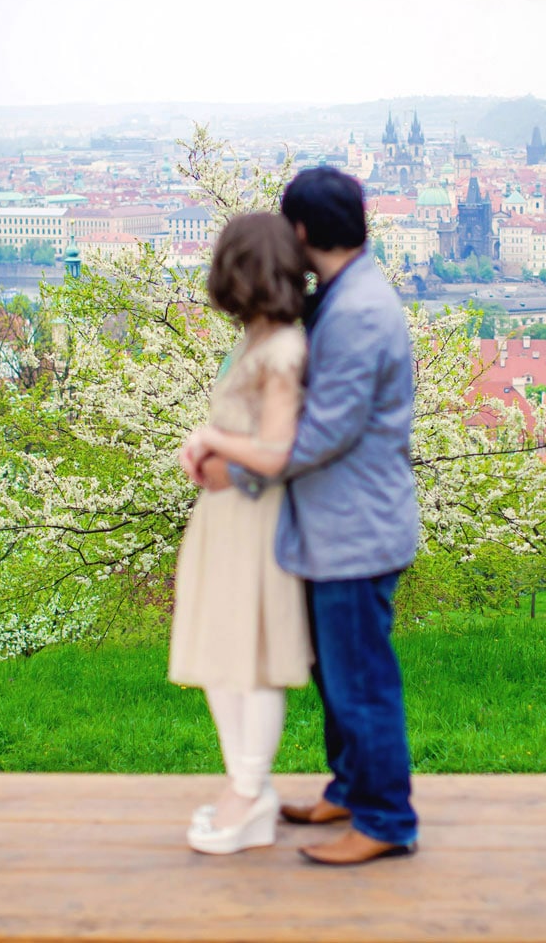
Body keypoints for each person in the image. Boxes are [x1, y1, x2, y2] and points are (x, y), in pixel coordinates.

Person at [187, 166, 420, 866]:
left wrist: (232, 465)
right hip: (335, 526)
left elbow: (317, 438)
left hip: (355, 531)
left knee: (362, 684)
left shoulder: (358, 314)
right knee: (339, 679)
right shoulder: (346, 295)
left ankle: (385, 821)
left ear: (301, 231)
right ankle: (351, 788)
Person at [169, 211, 313, 856]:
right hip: (226, 518)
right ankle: (243, 786)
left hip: (256, 522)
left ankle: (250, 792)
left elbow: (278, 449)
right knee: (224, 655)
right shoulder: (258, 339)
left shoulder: (281, 348)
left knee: (251, 659)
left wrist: (210, 440)